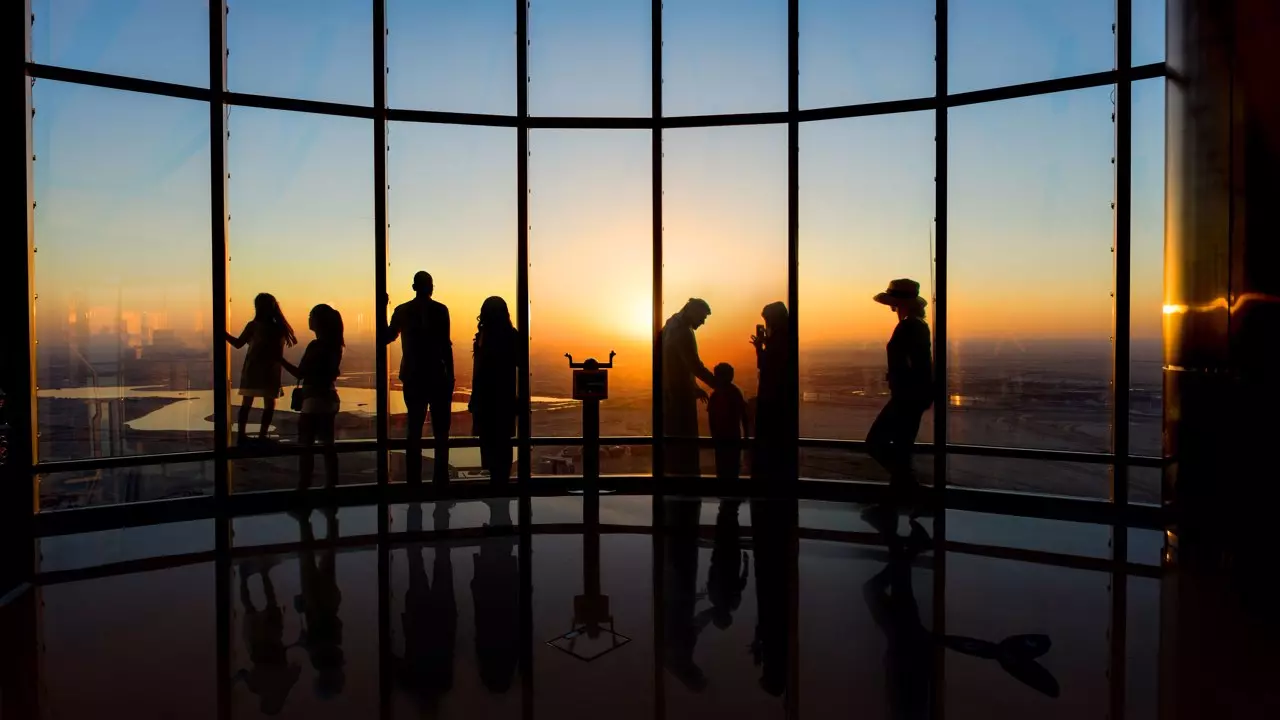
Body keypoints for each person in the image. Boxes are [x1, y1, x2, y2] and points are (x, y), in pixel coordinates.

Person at [384, 272, 455, 485]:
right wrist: (450, 377)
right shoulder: (440, 310)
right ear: (430, 287)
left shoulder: (403, 311)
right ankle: (440, 480)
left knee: (414, 430)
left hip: (414, 377)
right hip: (437, 377)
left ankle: (413, 482)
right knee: (440, 433)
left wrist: (382, 308)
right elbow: (446, 347)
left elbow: (387, 336)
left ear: (414, 287)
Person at [866, 279, 934, 500]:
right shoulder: (918, 325)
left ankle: (911, 488)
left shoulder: (908, 326)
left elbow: (912, 363)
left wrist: (899, 378)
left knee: (875, 442)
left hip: (906, 397)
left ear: (897, 304)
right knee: (902, 447)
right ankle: (899, 495)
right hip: (914, 395)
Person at [281, 304, 343, 490]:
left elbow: (300, 373)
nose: (308, 319)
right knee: (327, 445)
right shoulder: (334, 345)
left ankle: (304, 485)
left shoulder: (317, 346)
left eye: (311, 315)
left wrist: (279, 359)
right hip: (329, 398)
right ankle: (331, 485)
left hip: (314, 400)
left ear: (319, 321)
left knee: (306, 445)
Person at [226, 293, 297, 445]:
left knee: (247, 403)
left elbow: (238, 344)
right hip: (271, 370)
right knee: (269, 404)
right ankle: (262, 436)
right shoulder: (279, 328)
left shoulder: (254, 326)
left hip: (253, 369)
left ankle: (242, 436)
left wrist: (223, 334)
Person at [661, 298, 716, 476]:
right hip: (679, 396)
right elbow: (694, 365)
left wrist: (693, 385)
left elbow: (678, 364)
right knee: (684, 443)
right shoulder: (682, 331)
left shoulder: (671, 324)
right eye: (702, 317)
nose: (703, 322)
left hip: (671, 392)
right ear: (692, 312)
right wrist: (719, 384)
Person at [468, 297, 519, 484]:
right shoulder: (511, 336)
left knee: (490, 444)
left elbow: (478, 372)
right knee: (503, 445)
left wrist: (474, 399)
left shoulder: (483, 336)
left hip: (486, 400)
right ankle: (501, 484)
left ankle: (497, 484)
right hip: (504, 399)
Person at [750, 301, 796, 479]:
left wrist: (759, 348)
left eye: (767, 319)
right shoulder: (786, 335)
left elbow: (765, 364)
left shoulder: (779, 337)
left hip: (772, 395)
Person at [708, 363, 749, 482]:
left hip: (721, 437)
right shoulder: (734, 392)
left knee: (722, 468)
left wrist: (713, 436)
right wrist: (746, 436)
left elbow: (711, 418)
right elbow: (744, 416)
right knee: (732, 468)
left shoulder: (716, 394)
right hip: (733, 436)